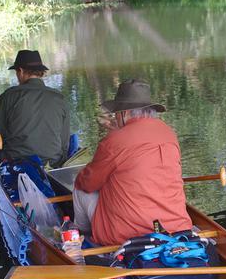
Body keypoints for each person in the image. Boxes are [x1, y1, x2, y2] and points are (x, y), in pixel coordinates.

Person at [73, 79, 193, 245]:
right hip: (174, 228)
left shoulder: (114, 141)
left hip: (126, 235)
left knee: (79, 189)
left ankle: (82, 237)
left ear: (124, 113)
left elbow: (87, 183)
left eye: (116, 113)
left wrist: (115, 136)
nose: (115, 116)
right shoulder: (169, 134)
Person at [0, 50, 70, 166]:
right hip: (53, 164)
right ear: (41, 72)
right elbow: (64, 143)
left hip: (18, 164)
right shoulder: (59, 98)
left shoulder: (9, 96)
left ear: (20, 71)